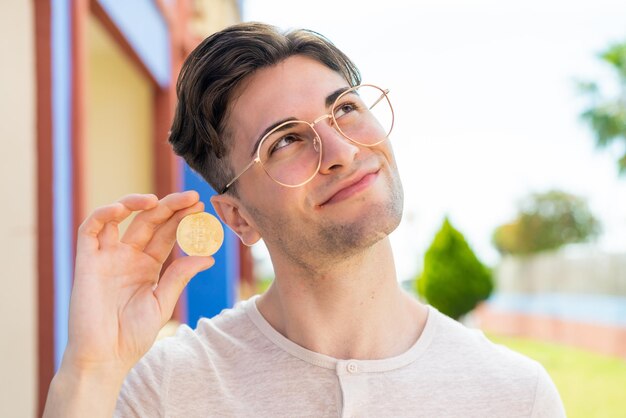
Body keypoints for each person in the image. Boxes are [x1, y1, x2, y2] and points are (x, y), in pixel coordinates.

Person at [44, 22, 565, 417]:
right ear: (238, 217)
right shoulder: (164, 389)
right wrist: (91, 369)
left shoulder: (515, 395)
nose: (341, 149)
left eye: (344, 109)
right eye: (286, 140)